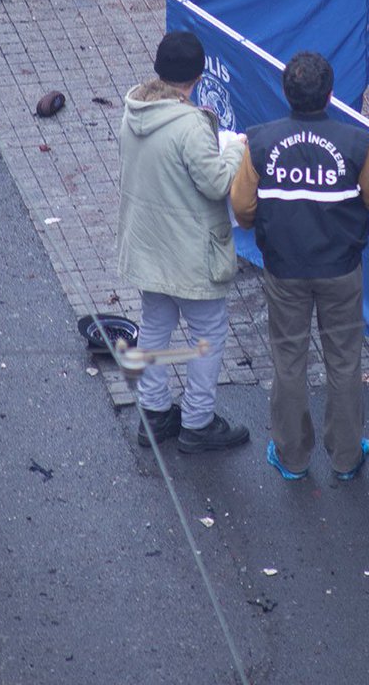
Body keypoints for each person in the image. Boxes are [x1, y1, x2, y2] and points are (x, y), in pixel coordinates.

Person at [231, 51, 369, 481]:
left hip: (284, 270)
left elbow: (242, 206)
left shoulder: (262, 141)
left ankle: (292, 457)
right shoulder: (356, 143)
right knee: (344, 361)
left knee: (288, 361)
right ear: (330, 93)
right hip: (341, 270)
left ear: (286, 93)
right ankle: (345, 457)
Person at [117, 30, 250, 454]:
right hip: (191, 253)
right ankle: (197, 422)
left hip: (147, 247)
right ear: (197, 76)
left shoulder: (133, 109)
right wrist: (236, 151)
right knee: (207, 332)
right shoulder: (190, 125)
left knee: (155, 325)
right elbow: (216, 183)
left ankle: (154, 416)